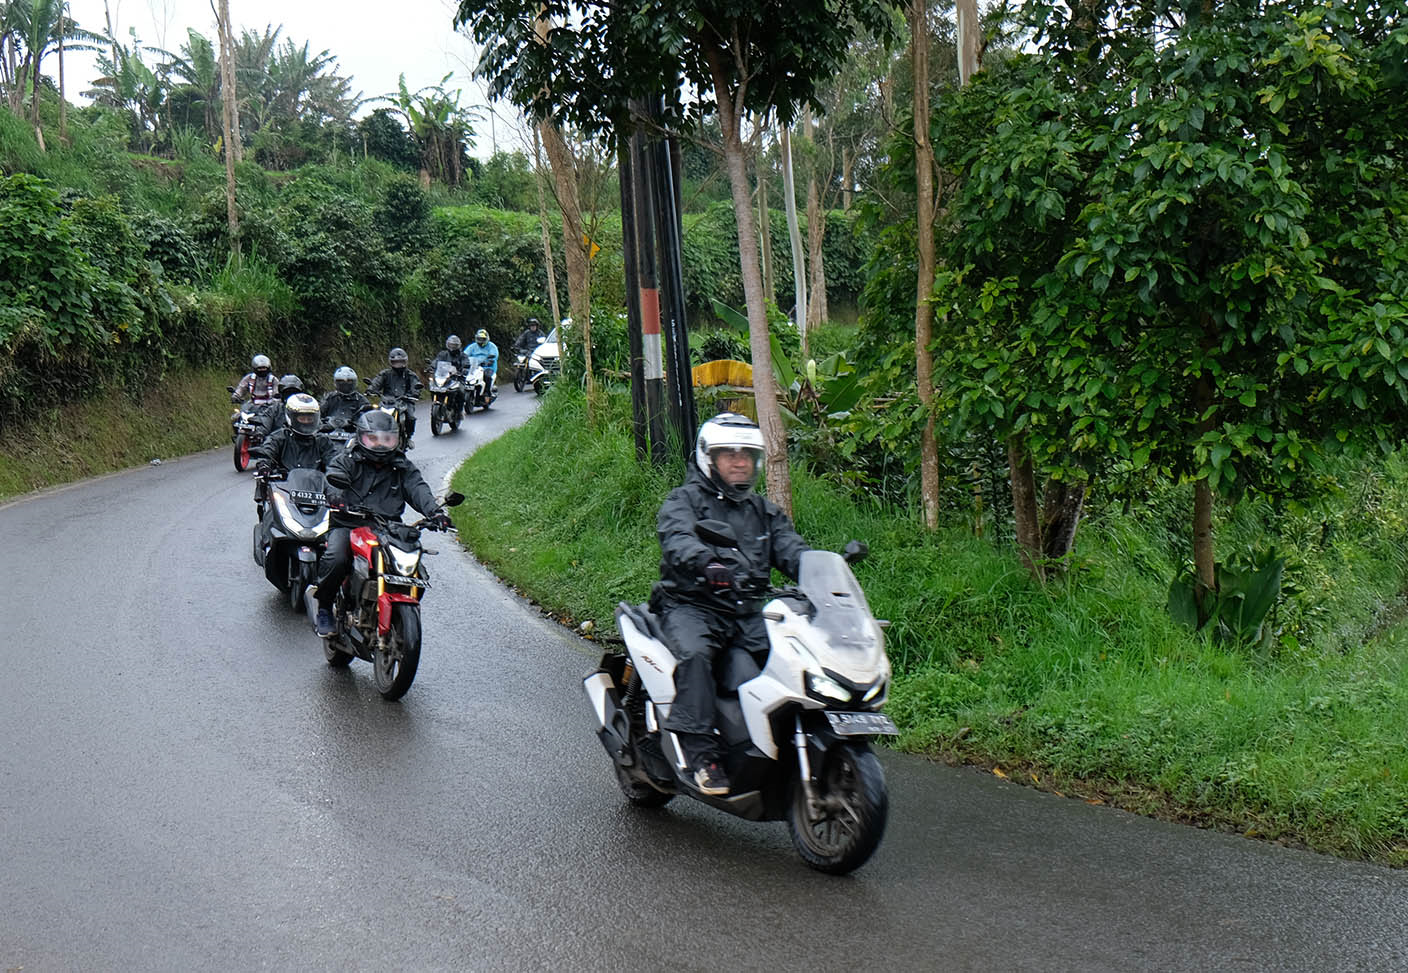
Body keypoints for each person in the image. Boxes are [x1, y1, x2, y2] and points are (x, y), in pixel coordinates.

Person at [654, 413, 810, 795]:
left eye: (747, 455)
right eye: (729, 453)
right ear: (710, 458)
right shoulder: (684, 500)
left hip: (746, 611)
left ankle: (772, 746)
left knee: (790, 659)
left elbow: (791, 549)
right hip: (691, 606)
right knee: (695, 657)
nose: (739, 461)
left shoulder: (763, 511)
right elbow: (677, 538)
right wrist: (707, 562)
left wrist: (820, 570)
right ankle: (701, 755)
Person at [310, 409, 451, 637]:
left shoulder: (401, 466)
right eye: (373, 439)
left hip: (386, 528)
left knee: (415, 569)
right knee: (337, 557)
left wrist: (435, 512)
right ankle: (325, 607)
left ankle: (395, 614)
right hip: (348, 524)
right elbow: (333, 477)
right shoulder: (347, 459)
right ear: (362, 437)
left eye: (387, 439)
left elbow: (417, 488)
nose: (380, 445)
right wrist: (335, 496)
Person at [251, 393, 336, 473]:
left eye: (310, 419)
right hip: (282, 486)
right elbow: (268, 450)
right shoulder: (279, 437)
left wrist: (336, 471)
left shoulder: (322, 441)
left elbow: (332, 459)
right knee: (262, 484)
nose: (306, 422)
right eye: (302, 418)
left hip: (316, 486)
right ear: (291, 417)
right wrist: (264, 463)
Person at [367, 347, 423, 445]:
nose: (398, 364)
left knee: (410, 417)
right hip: (387, 402)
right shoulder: (385, 374)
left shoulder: (410, 375)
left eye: (400, 362)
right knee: (374, 415)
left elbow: (415, 384)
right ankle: (375, 436)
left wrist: (414, 393)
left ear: (405, 361)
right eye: (396, 362)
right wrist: (371, 389)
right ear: (391, 362)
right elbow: (377, 382)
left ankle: (409, 437)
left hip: (405, 401)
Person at [432, 335, 472, 418]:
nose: (452, 347)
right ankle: (437, 403)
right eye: (451, 345)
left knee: (461, 391)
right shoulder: (443, 354)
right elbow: (436, 360)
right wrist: (432, 366)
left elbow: (466, 363)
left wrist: (464, 369)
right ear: (447, 345)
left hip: (457, 378)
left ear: (458, 346)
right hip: (444, 377)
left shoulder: (462, 356)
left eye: (454, 345)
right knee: (433, 387)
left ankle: (460, 411)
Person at [321, 366, 369, 431]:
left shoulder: (361, 400)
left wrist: (352, 423)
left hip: (353, 434)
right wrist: (327, 422)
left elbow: (367, 420)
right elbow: (319, 414)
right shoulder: (330, 397)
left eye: (349, 381)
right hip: (329, 432)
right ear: (336, 383)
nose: (345, 384)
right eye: (341, 381)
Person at [466, 329, 499, 405]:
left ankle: (487, 394)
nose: (480, 341)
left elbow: (494, 356)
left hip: (488, 367)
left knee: (487, 376)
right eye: (479, 339)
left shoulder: (492, 346)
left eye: (482, 339)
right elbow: (465, 354)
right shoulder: (472, 346)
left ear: (486, 339)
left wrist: (490, 361)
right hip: (474, 367)